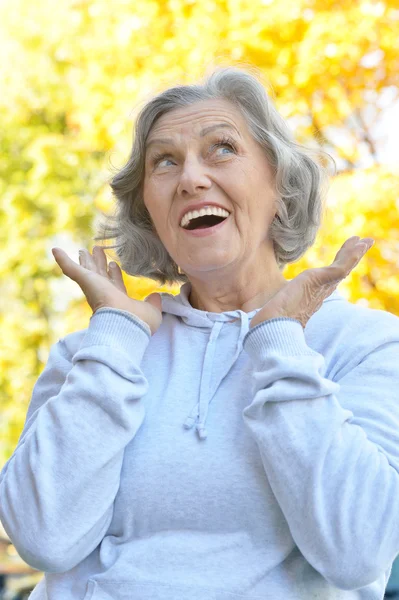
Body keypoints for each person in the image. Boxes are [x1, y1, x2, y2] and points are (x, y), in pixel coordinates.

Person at [0, 65, 398, 600]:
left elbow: (356, 551)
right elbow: (43, 539)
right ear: (149, 210)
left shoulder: (363, 343)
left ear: (281, 185)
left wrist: (279, 341)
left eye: (222, 149)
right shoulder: (97, 350)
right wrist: (116, 337)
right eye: (165, 162)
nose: (190, 178)